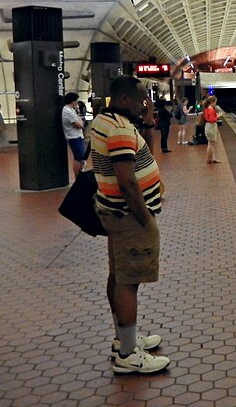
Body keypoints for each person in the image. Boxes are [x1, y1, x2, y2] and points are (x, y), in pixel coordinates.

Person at [90, 76, 169, 375]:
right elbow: (127, 181)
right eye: (140, 98)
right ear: (124, 100)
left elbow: (142, 153)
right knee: (128, 281)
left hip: (116, 215)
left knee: (118, 274)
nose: (144, 102)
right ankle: (127, 354)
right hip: (129, 217)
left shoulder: (106, 120)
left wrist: (147, 120)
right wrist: (145, 218)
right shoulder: (120, 129)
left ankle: (125, 339)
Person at [62, 92, 87, 177]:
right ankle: (78, 177)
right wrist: (81, 123)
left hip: (78, 136)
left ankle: (80, 175)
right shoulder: (67, 111)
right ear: (73, 101)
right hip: (74, 137)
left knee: (81, 157)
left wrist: (80, 122)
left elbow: (78, 121)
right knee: (78, 158)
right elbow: (79, 124)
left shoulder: (71, 110)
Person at [203, 95, 222, 164]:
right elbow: (212, 120)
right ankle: (208, 159)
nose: (216, 103)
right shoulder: (211, 110)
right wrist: (218, 116)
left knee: (211, 143)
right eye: (215, 102)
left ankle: (213, 158)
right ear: (212, 102)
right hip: (211, 126)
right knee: (211, 144)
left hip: (208, 126)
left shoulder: (207, 108)